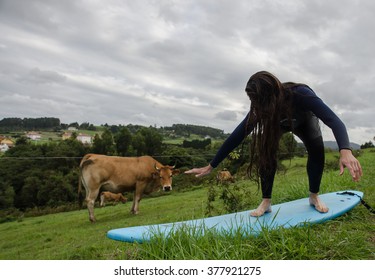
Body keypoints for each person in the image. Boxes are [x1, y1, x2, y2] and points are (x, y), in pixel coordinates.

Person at [185, 71, 363, 217]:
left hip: (305, 121)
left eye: (258, 101)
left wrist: (345, 150)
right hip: (278, 124)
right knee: (266, 152)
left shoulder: (301, 94)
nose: (256, 106)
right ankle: (266, 201)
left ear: (272, 95)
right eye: (253, 101)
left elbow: (333, 120)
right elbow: (237, 135)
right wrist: (212, 165)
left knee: (316, 150)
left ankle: (314, 196)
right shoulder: (260, 107)